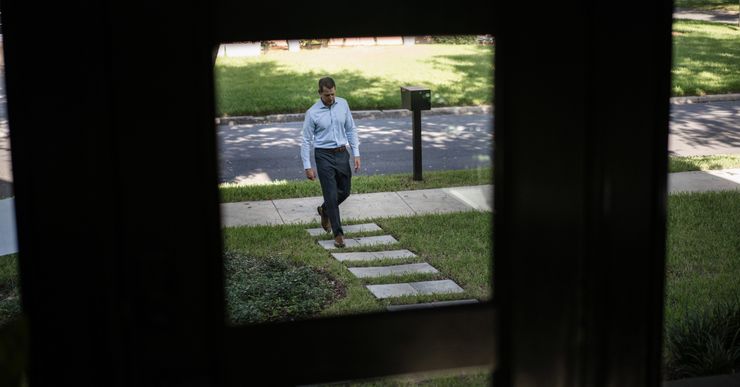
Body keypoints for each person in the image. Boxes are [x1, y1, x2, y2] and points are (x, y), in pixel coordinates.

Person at [300, 77, 361, 248]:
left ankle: (325, 209)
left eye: (333, 94)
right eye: (327, 95)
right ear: (320, 93)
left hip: (342, 153)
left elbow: (350, 128)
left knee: (346, 191)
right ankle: (338, 234)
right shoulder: (312, 113)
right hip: (323, 155)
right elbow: (306, 140)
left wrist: (356, 153)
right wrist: (307, 166)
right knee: (331, 195)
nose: (331, 98)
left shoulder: (343, 104)